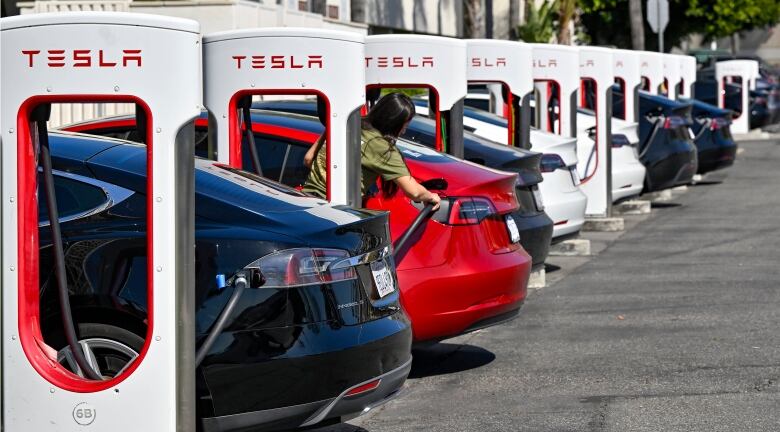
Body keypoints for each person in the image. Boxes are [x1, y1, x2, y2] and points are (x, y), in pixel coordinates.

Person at [302, 92, 441, 210]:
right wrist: (430, 196)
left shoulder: (347, 122)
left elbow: (308, 159)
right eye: (404, 126)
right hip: (335, 212)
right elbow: (414, 192)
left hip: (306, 201)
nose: (404, 131)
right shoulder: (382, 148)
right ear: (395, 123)